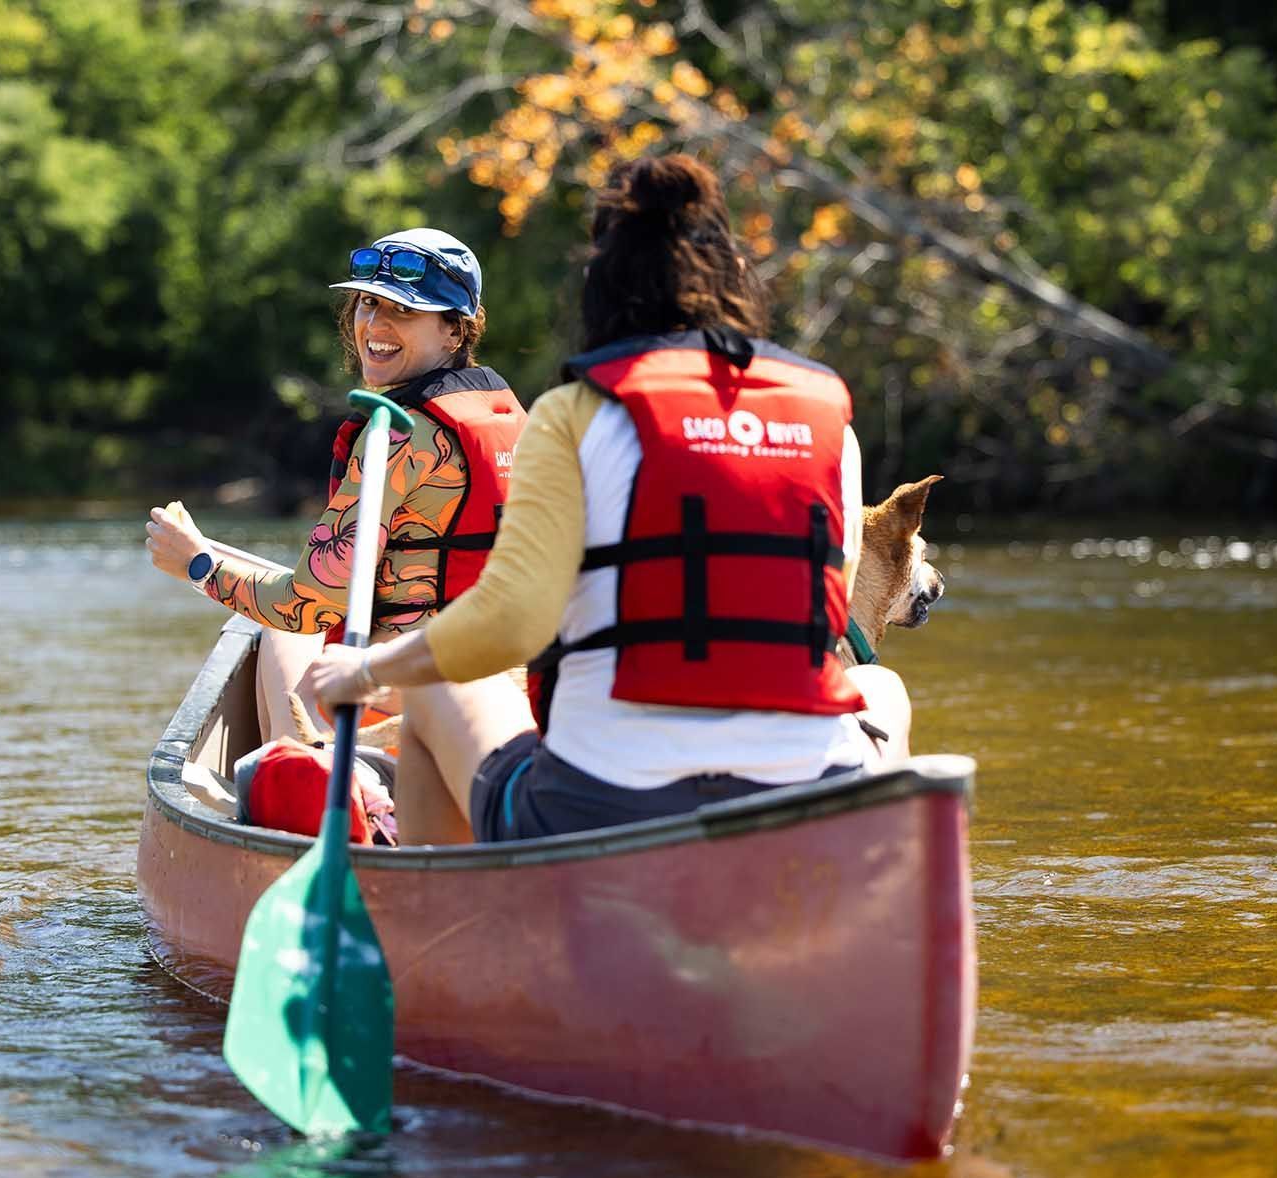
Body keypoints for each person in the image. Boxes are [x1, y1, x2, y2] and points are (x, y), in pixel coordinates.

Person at [300, 154, 914, 844]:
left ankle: (436, 911)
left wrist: (368, 669)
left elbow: (510, 623)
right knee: (883, 691)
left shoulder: (574, 413)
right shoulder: (833, 416)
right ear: (739, 280)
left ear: (605, 284)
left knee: (435, 686)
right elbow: (827, 617)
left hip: (608, 803)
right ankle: (856, 854)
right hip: (804, 789)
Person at [145, 228, 527, 763]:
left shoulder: (396, 433)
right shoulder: (510, 416)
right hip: (508, 679)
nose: (376, 324)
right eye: (368, 302)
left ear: (454, 330)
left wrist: (198, 565)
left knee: (279, 633)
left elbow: (306, 605)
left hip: (412, 680)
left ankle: (320, 774)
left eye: (404, 310)